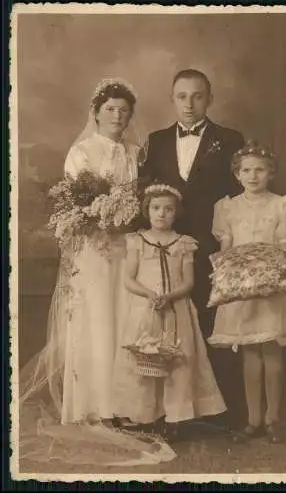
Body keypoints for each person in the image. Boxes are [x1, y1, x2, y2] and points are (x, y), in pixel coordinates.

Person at [19, 78, 175, 467]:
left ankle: (120, 404)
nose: (118, 116)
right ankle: (92, 405)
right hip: (93, 247)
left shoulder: (135, 153)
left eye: (124, 110)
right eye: (111, 109)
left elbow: (143, 199)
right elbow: (76, 200)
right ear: (96, 112)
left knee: (122, 320)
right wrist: (100, 214)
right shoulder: (81, 151)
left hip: (125, 245)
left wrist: (126, 213)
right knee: (95, 319)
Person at [138, 68, 245, 427]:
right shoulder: (156, 140)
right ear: (171, 98)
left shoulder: (229, 138)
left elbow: (239, 195)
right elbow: (146, 197)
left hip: (215, 245)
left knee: (215, 320)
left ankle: (218, 411)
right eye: (182, 96)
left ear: (209, 99)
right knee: (169, 324)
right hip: (168, 249)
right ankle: (172, 410)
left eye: (197, 96)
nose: (189, 103)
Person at [207, 140, 286, 443]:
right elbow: (225, 247)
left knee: (272, 351)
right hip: (241, 289)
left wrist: (272, 273)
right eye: (246, 170)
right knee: (250, 353)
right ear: (237, 174)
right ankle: (253, 419)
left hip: (271, 286)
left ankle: (273, 419)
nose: (253, 176)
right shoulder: (227, 207)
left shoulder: (284, 205)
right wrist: (224, 276)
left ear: (271, 173)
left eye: (260, 170)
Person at [111, 184, 227, 439]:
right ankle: (144, 414)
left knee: (178, 358)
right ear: (147, 210)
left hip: (176, 309)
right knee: (145, 356)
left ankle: (176, 415)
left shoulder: (184, 244)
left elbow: (188, 282)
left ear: (177, 213)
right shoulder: (137, 241)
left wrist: (169, 296)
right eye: (155, 208)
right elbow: (128, 279)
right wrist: (149, 294)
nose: (161, 214)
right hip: (145, 309)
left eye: (168, 209)